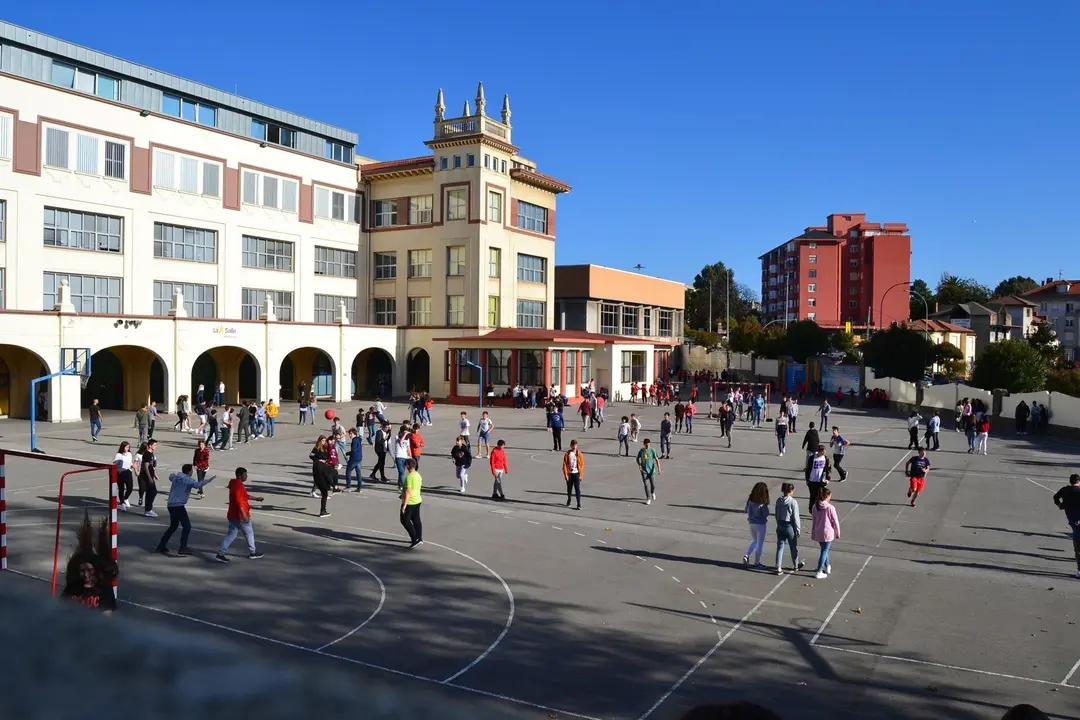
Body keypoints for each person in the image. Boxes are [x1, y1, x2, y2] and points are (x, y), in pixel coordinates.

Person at [62, 512, 117, 614]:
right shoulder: (73, 586)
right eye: (82, 571)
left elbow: (106, 618)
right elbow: (61, 609)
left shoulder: (104, 589)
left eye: (90, 570)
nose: (86, 575)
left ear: (96, 570)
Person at [156, 463, 214, 556]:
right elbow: (197, 485)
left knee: (173, 526)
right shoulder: (187, 479)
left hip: (171, 504)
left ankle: (161, 545)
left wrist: (173, 475)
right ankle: (183, 547)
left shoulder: (177, 477)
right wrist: (207, 481)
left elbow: (171, 477)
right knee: (187, 526)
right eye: (191, 470)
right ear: (189, 471)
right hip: (178, 505)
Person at [214, 467, 265, 562]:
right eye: (245, 475)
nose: (246, 476)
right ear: (239, 475)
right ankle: (252, 552)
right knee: (249, 533)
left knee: (231, 535)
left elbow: (244, 496)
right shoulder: (239, 486)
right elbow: (239, 501)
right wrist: (244, 515)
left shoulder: (234, 483)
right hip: (240, 515)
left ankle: (220, 553)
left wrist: (256, 498)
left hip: (232, 515)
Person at [1052, 474, 1080, 579]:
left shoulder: (1065, 490)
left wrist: (1060, 505)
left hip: (1073, 521)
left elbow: (1055, 497)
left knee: (1078, 547)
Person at [811, 487, 840, 579]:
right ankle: (819, 570)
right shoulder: (830, 507)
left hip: (818, 531)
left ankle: (827, 566)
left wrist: (813, 532)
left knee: (824, 549)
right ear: (827, 496)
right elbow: (835, 521)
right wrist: (837, 533)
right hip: (828, 532)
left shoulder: (815, 506)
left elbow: (814, 520)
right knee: (824, 550)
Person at [774, 482, 803, 574]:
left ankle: (778, 566)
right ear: (791, 491)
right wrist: (798, 529)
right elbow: (796, 517)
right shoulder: (793, 502)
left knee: (780, 547)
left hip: (780, 524)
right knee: (793, 546)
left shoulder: (778, 500)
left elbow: (776, 513)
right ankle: (796, 564)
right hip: (789, 526)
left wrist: (778, 523)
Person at [743, 482, 770, 568]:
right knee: (760, 543)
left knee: (755, 541)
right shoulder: (762, 503)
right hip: (761, 524)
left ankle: (746, 555)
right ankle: (757, 562)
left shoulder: (750, 499)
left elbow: (746, 509)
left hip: (751, 523)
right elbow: (765, 514)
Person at [400, 459, 424, 548]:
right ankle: (419, 537)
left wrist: (404, 504)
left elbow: (408, 491)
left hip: (410, 502)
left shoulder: (409, 477)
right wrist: (401, 495)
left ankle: (415, 539)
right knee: (416, 519)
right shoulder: (418, 475)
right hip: (417, 500)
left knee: (404, 520)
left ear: (407, 466)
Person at [310, 436, 335, 518]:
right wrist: (318, 460)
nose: (324, 442)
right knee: (323, 489)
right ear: (319, 441)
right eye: (322, 440)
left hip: (324, 468)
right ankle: (322, 511)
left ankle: (323, 510)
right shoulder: (316, 448)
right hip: (318, 468)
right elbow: (311, 455)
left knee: (324, 490)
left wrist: (326, 460)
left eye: (325, 440)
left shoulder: (325, 448)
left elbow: (328, 456)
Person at [137, 439, 160, 517]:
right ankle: (148, 509)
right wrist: (149, 477)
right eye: (154, 445)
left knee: (151, 492)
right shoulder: (147, 454)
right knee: (153, 492)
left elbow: (151, 466)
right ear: (150, 445)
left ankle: (148, 509)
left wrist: (155, 474)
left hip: (150, 475)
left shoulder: (151, 453)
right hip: (147, 476)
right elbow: (146, 467)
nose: (155, 446)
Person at [636, 438, 661, 506]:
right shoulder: (641, 451)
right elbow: (637, 458)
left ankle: (652, 492)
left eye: (648, 445)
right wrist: (639, 465)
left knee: (653, 484)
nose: (647, 446)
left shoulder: (652, 450)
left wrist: (659, 469)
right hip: (644, 470)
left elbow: (657, 460)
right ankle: (648, 498)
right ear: (644, 444)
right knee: (646, 484)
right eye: (646, 445)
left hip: (651, 471)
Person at [562, 439, 584, 510]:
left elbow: (582, 465)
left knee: (577, 489)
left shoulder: (579, 454)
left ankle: (578, 504)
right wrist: (566, 474)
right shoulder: (567, 454)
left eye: (575, 445)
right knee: (569, 489)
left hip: (576, 473)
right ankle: (569, 499)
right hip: (569, 474)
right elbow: (564, 465)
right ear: (571, 445)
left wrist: (581, 475)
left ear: (577, 446)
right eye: (573, 445)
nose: (574, 446)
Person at [113, 441, 135, 511]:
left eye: (128, 447)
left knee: (130, 487)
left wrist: (132, 466)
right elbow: (114, 463)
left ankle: (125, 498)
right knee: (121, 488)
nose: (127, 448)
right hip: (120, 473)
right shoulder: (119, 455)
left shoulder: (129, 454)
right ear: (122, 447)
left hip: (128, 472)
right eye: (126, 447)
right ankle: (122, 503)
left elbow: (130, 462)